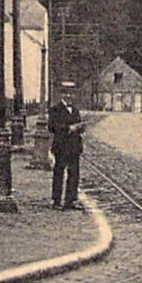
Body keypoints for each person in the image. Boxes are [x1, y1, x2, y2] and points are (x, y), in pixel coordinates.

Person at [47, 82, 84, 210]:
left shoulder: (75, 110)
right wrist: (69, 128)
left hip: (74, 146)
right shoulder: (55, 109)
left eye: (71, 93)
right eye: (66, 93)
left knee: (74, 174)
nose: (69, 95)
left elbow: (79, 126)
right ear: (61, 94)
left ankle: (71, 200)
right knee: (59, 173)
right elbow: (52, 127)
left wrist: (80, 128)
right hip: (61, 146)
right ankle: (56, 200)